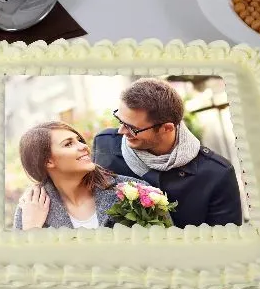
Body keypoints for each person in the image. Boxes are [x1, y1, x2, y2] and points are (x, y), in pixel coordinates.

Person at [92, 77, 242, 229]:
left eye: (132, 128)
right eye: (120, 120)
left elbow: (224, 240)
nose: (121, 131)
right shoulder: (105, 144)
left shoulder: (217, 174)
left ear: (167, 128)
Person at [13, 121, 149, 230]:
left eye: (79, 140)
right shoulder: (29, 210)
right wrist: (32, 230)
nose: (84, 146)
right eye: (68, 144)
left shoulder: (136, 192)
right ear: (47, 161)